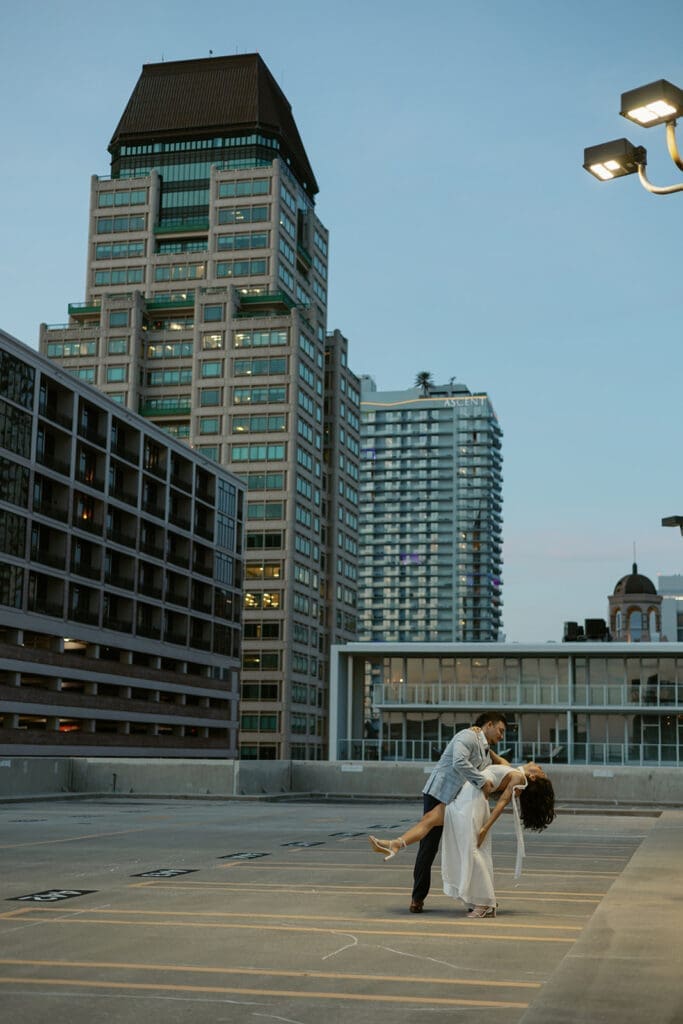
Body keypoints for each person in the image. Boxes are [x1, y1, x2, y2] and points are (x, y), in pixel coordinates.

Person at [369, 762, 556, 918]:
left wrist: (484, 828)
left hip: (472, 802)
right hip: (466, 795)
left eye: (542, 772)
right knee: (430, 818)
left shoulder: (519, 778)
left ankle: (486, 904)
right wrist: (479, 735)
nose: (540, 767)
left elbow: (501, 804)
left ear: (533, 777)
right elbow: (493, 756)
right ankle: (395, 844)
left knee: (471, 850)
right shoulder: (515, 770)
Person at [406, 712, 509, 914]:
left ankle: (473, 899)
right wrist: (481, 782)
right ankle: (417, 898)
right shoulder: (467, 736)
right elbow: (459, 762)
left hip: (458, 801)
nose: (502, 736)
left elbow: (504, 766)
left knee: (465, 848)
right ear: (489, 724)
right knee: (428, 847)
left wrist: (491, 751)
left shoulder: (485, 750)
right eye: (500, 730)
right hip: (440, 793)